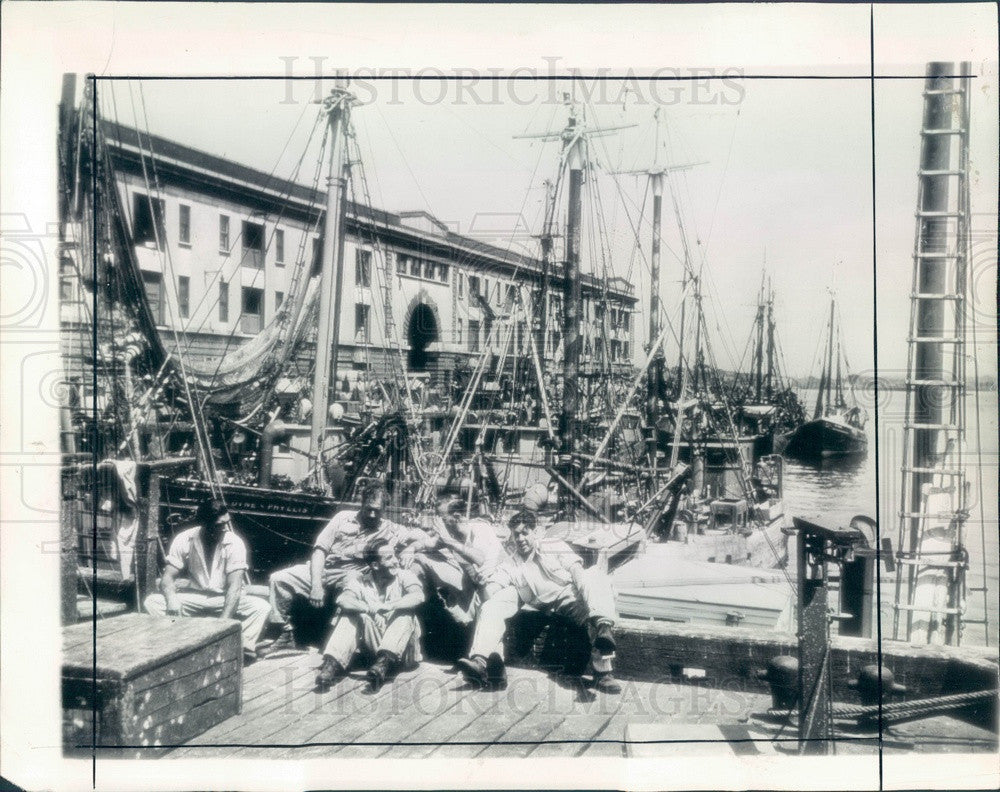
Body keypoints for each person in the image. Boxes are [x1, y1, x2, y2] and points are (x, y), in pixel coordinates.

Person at [456, 510, 621, 694]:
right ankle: (480, 660)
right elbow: (490, 591)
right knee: (490, 605)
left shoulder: (552, 545)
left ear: (535, 532)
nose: (520, 539)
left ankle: (603, 669)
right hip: (534, 601)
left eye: (525, 533)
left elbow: (576, 571)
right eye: (516, 534)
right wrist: (480, 581)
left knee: (594, 581)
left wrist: (587, 597)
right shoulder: (511, 564)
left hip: (567, 594)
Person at [261, 483, 428, 656]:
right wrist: (316, 585)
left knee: (353, 584)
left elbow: (425, 538)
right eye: (368, 509)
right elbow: (320, 550)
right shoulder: (342, 518)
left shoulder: (390, 529)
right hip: (322, 569)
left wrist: (411, 548)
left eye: (377, 511)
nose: (372, 514)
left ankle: (337, 643)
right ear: (361, 504)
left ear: (384, 509)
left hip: (351, 574)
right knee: (279, 578)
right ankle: (285, 633)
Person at [144, 497, 269, 659]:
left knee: (261, 607)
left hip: (224, 598)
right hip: (196, 596)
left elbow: (235, 588)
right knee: (152, 602)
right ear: (204, 523)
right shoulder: (184, 538)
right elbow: (167, 577)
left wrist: (222, 626)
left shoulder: (235, 543)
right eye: (219, 525)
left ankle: (240, 646)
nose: (225, 528)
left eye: (227, 522)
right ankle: (180, 642)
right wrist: (172, 599)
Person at [315, 538, 425, 692]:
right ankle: (331, 665)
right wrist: (367, 608)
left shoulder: (405, 576)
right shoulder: (361, 580)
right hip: (375, 649)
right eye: (389, 558)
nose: (395, 561)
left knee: (405, 614)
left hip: (404, 655)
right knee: (351, 615)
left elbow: (418, 596)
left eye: (394, 555)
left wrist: (389, 606)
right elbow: (343, 599)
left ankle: (384, 663)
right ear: (375, 565)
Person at [413, 498, 511, 625]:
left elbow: (479, 559)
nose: (438, 525)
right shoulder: (451, 533)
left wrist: (449, 541)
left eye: (442, 519)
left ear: (457, 516)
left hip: (497, 583)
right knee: (422, 558)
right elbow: (428, 544)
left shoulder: (479, 528)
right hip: (477, 584)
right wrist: (410, 548)